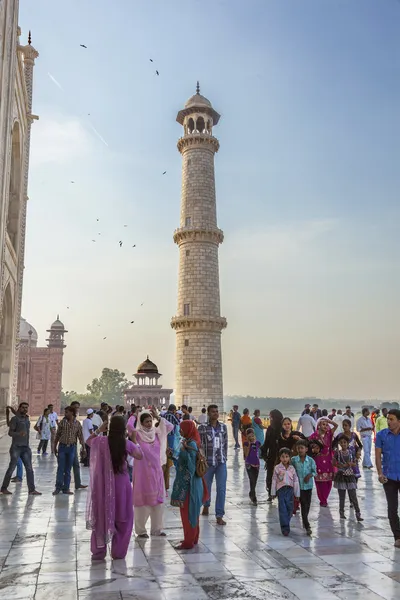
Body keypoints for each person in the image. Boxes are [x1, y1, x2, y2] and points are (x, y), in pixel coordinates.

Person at [86, 416, 143, 559]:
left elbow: (87, 441)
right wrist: (134, 439)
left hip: (103, 485)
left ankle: (99, 552)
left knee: (101, 516)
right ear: (123, 428)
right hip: (121, 485)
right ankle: (118, 552)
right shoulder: (126, 443)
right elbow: (139, 455)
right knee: (123, 518)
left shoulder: (100, 441)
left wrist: (99, 430)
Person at [133, 408, 174, 537]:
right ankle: (141, 531)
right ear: (141, 422)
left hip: (156, 471)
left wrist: (158, 416)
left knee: (158, 502)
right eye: (146, 422)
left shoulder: (156, 433)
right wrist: (133, 416)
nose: (149, 424)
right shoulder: (137, 435)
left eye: (151, 421)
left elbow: (169, 426)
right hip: (142, 473)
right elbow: (129, 428)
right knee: (143, 503)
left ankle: (157, 529)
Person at [171, 420, 208, 549]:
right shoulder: (191, 442)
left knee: (188, 514)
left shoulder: (190, 443)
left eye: (182, 428)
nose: (180, 431)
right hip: (194, 483)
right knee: (193, 514)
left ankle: (188, 542)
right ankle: (193, 538)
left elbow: (191, 467)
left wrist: (181, 452)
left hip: (190, 486)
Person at [1, 402, 41, 495]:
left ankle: (31, 490)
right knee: (11, 468)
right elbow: (10, 433)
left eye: (26, 407)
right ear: (19, 408)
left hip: (25, 448)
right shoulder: (15, 419)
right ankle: (3, 488)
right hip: (16, 447)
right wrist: (19, 434)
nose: (25, 409)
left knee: (29, 469)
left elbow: (19, 415)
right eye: (23, 407)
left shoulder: (26, 418)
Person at [199, 404, 228, 525]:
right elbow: (199, 445)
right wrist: (202, 458)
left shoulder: (223, 427)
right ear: (208, 414)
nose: (215, 413)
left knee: (221, 489)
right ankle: (206, 504)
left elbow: (225, 443)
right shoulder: (202, 428)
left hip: (221, 462)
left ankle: (219, 515)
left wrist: (225, 457)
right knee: (207, 487)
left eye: (217, 411)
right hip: (208, 462)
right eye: (213, 411)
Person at [375, 409, 400, 548]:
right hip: (388, 476)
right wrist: (380, 473)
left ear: (399, 421)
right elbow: (378, 456)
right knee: (392, 508)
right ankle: (397, 536)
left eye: (392, 419)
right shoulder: (381, 435)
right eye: (388, 419)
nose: (389, 422)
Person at [53, 406, 86, 495]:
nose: (65, 414)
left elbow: (80, 436)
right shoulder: (62, 423)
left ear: (72, 413)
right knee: (60, 468)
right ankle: (58, 487)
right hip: (62, 447)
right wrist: (54, 447)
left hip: (71, 448)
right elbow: (57, 436)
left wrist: (83, 447)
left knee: (68, 469)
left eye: (67, 412)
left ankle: (66, 488)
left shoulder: (77, 424)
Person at [333, 434, 363, 521]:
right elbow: (333, 463)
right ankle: (341, 513)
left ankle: (358, 513)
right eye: (341, 443)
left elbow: (354, 462)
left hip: (350, 475)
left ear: (347, 443)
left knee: (353, 496)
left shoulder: (350, 452)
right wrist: (339, 465)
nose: (343, 444)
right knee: (342, 496)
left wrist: (351, 464)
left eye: (345, 442)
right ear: (339, 443)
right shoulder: (337, 453)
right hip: (341, 476)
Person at [309, 417, 338, 506]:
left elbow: (336, 425)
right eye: (323, 424)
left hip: (328, 460)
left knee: (328, 481)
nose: (325, 426)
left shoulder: (329, 434)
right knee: (319, 482)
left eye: (327, 424)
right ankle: (323, 500)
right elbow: (309, 448)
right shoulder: (313, 436)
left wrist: (329, 421)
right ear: (318, 426)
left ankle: (325, 497)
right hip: (318, 461)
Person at [271, 447, 300, 536]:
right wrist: (273, 492)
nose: (285, 459)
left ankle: (286, 521)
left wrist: (297, 493)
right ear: (280, 458)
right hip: (281, 490)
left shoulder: (292, 468)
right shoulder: (277, 468)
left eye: (287, 457)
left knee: (290, 509)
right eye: (283, 457)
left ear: (289, 458)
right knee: (282, 509)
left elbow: (295, 480)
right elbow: (274, 480)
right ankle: (285, 528)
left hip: (290, 490)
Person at [291, 440, 317, 535]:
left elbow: (315, 472)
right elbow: (291, 470)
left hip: (308, 486)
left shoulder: (310, 460)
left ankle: (305, 520)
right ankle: (307, 525)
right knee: (303, 504)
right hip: (299, 487)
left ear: (306, 449)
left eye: (302, 448)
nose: (300, 450)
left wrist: (309, 475)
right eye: (298, 448)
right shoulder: (294, 460)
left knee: (307, 505)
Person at [260, 409, 283, 502]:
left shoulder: (283, 428)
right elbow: (266, 443)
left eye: (271, 417)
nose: (270, 419)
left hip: (282, 457)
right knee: (270, 476)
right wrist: (264, 454)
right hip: (272, 456)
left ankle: (280, 494)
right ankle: (271, 493)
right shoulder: (270, 428)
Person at [69, 400, 88, 491]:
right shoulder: (66, 420)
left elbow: (80, 435)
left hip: (73, 446)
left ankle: (78, 483)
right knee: (65, 467)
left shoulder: (76, 421)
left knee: (76, 465)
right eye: (75, 407)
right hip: (65, 447)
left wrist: (83, 447)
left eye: (78, 407)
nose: (77, 409)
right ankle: (63, 486)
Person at [243, 428, 261, 505]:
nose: (251, 437)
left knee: (254, 481)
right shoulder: (246, 444)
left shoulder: (258, 443)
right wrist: (249, 444)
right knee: (252, 479)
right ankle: (254, 497)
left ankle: (251, 493)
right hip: (249, 464)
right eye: (249, 436)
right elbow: (246, 455)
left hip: (256, 464)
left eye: (252, 436)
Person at [6, 406, 23, 483]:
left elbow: (17, 413)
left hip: (20, 443)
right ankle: (18, 475)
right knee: (16, 459)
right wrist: (7, 414)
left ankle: (19, 477)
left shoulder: (23, 418)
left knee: (18, 460)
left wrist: (10, 408)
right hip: (15, 443)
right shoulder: (15, 420)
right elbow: (8, 424)